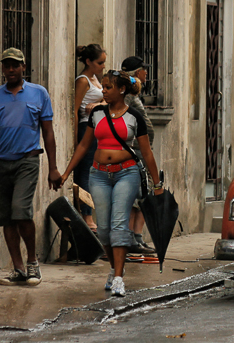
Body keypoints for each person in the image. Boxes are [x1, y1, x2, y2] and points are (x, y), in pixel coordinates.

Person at [60, 69, 164, 297]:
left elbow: (146, 153)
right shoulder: (97, 114)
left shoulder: (134, 117)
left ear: (122, 90)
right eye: (104, 87)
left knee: (118, 225)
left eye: (108, 88)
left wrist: (157, 184)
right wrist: (67, 172)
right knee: (104, 230)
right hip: (98, 175)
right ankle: (113, 268)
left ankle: (118, 277)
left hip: (126, 174)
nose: (104, 91)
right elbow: (84, 146)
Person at [0, 48, 62, 286]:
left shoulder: (39, 94)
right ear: (3, 69)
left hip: (27, 161)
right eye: (6, 66)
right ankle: (18, 268)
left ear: (23, 68)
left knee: (20, 210)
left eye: (15, 65)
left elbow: (48, 132)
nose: (10, 70)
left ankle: (32, 263)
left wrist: (53, 167)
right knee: (6, 218)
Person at [121, 56, 155, 254]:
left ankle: (137, 237)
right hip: (135, 153)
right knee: (137, 194)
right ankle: (131, 238)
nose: (146, 73)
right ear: (136, 74)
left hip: (143, 152)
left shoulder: (133, 97)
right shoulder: (127, 97)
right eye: (143, 70)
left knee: (145, 193)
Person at [74, 44, 106, 231]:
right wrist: (75, 138)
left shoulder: (95, 79)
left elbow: (106, 100)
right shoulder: (83, 81)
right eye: (99, 62)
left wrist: (98, 103)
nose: (102, 66)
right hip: (86, 127)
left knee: (93, 172)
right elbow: (76, 109)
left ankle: (89, 213)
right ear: (88, 62)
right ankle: (86, 215)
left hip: (97, 128)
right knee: (85, 172)